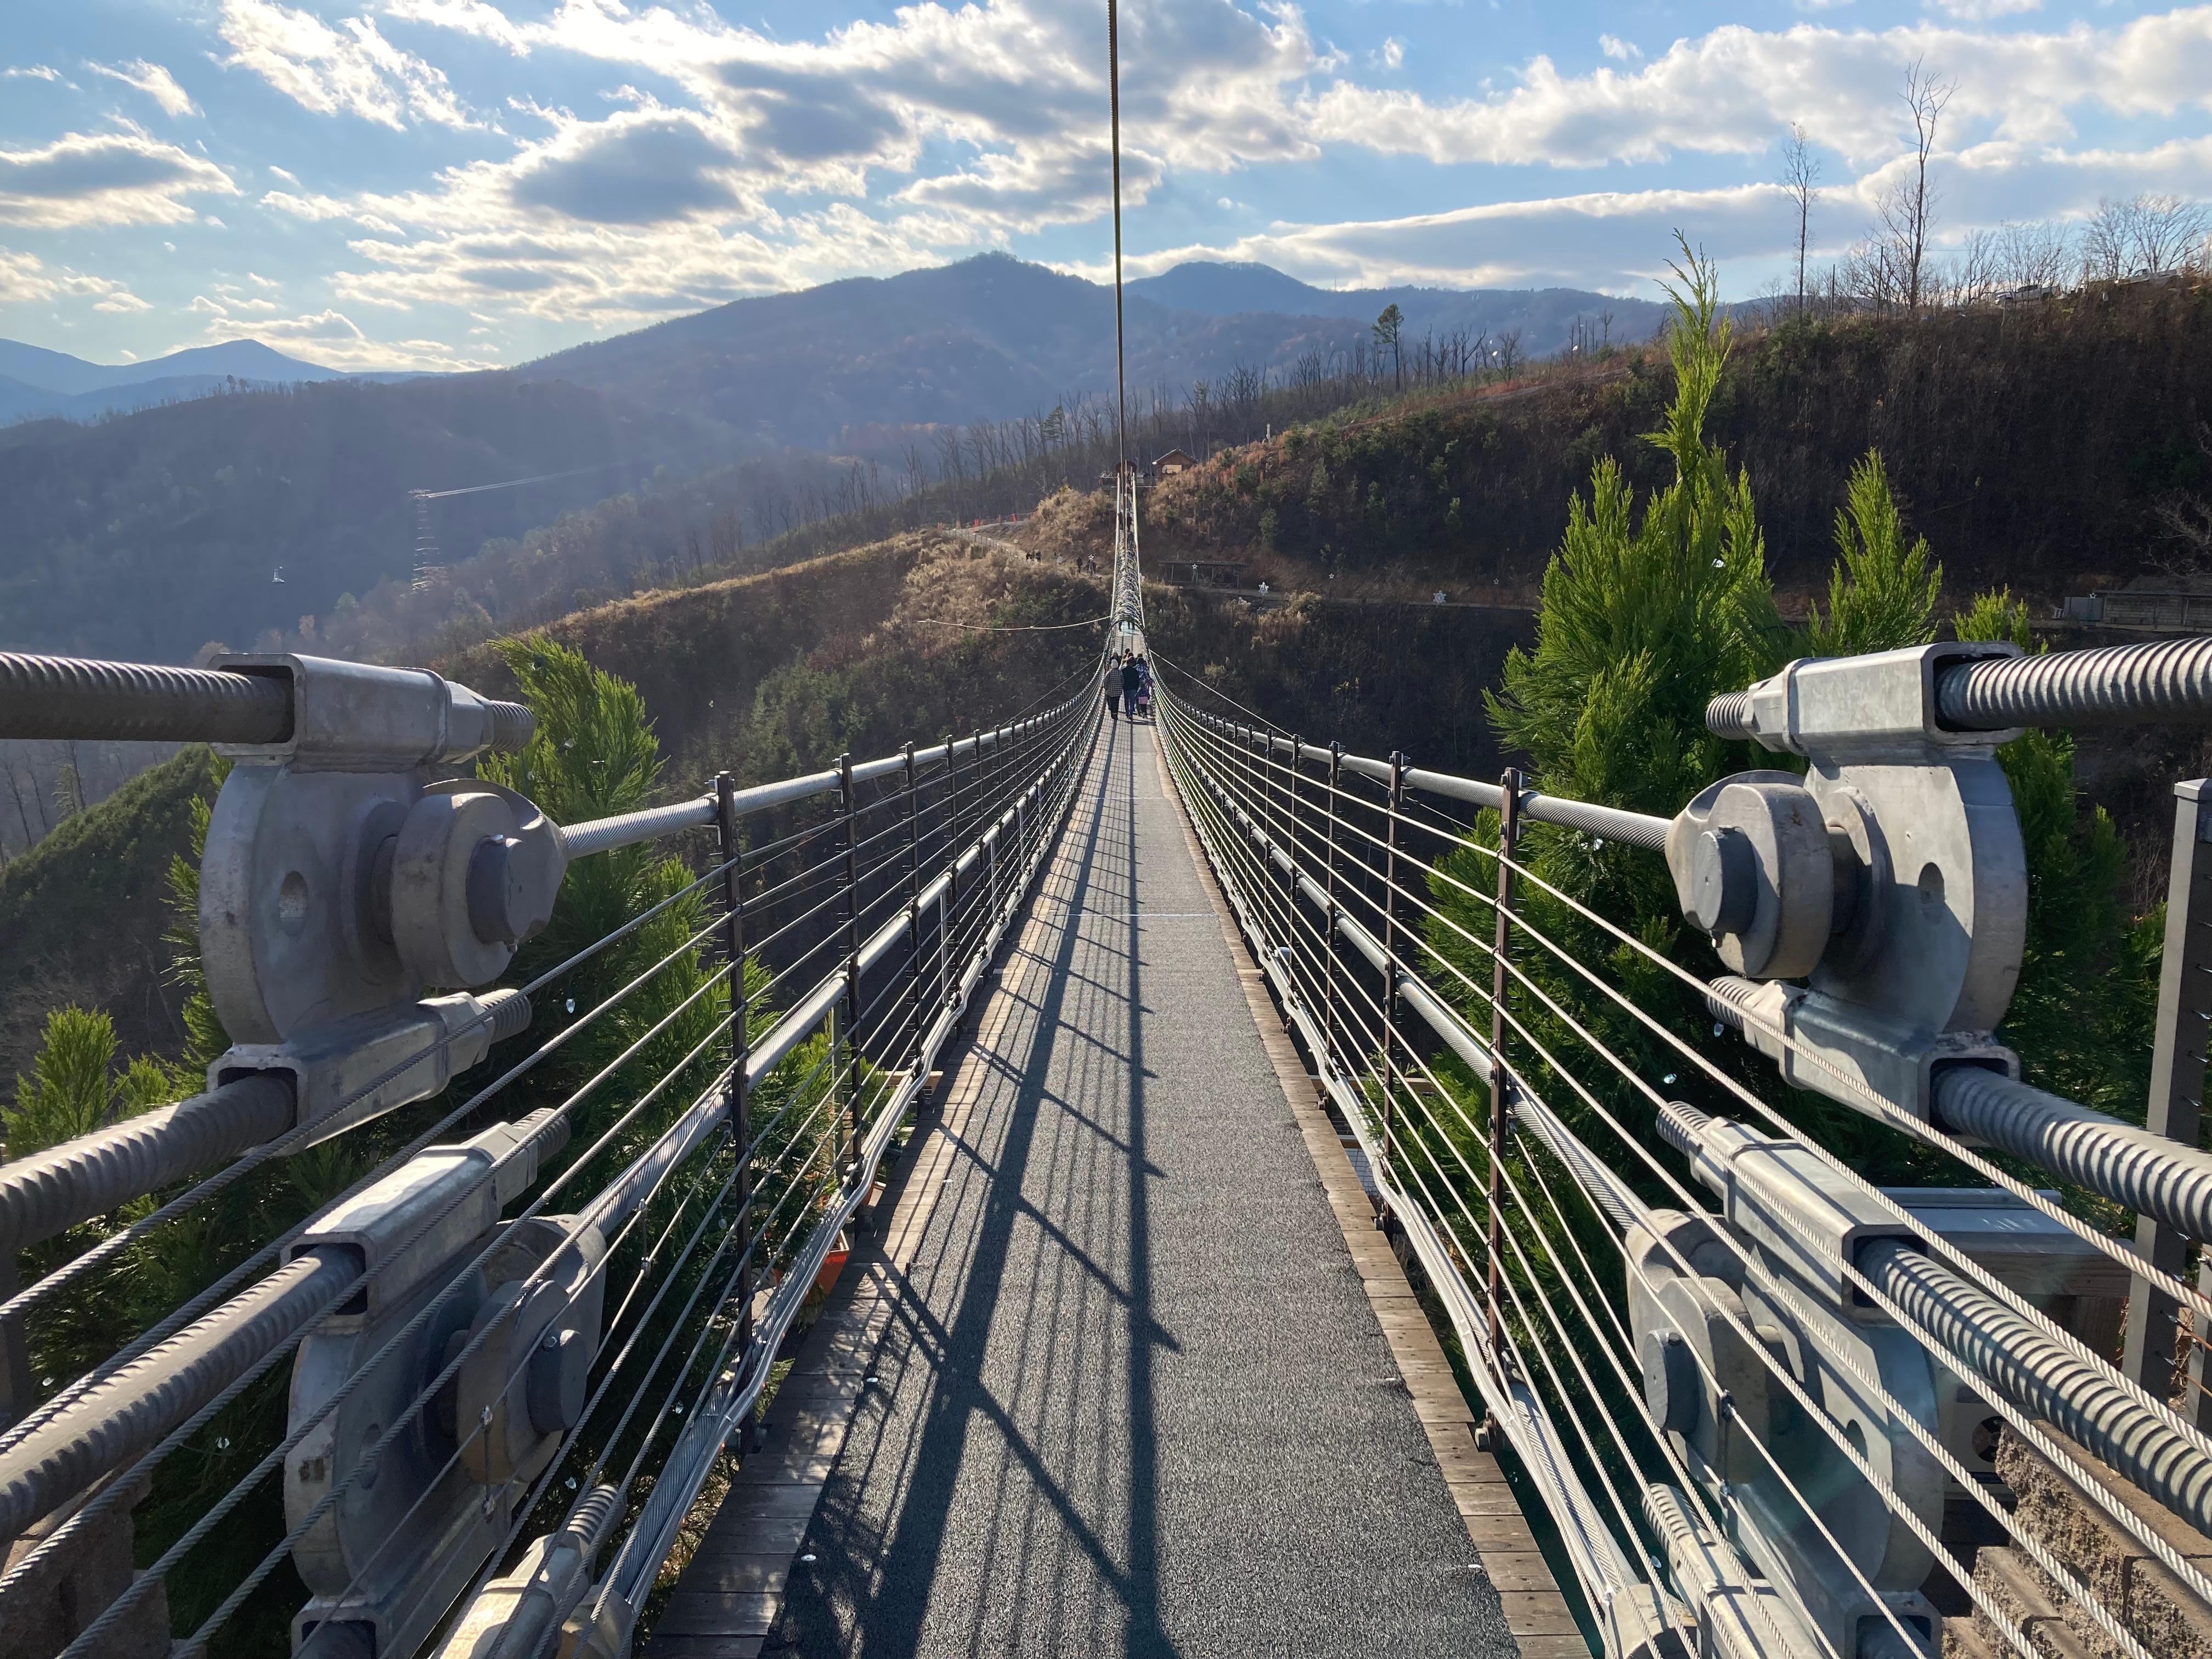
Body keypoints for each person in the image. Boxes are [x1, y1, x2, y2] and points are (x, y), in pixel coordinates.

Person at [1120, 652, 1144, 721]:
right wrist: (1137, 688)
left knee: (1126, 701)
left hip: (1126, 688)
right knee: (1132, 702)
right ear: (1132, 664)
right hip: (1133, 688)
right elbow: (1137, 680)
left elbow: (1121, 679)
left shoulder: (1123, 671)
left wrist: (1122, 686)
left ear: (1127, 664)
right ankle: (1131, 714)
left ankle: (1127, 713)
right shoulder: (1135, 671)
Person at [1105, 655, 1122, 723]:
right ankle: (1116, 714)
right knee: (1117, 702)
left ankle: (1113, 714)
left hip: (1111, 691)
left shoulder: (1109, 673)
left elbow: (1105, 681)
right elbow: (1123, 680)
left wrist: (1106, 688)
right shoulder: (1120, 672)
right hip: (1118, 691)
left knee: (1112, 702)